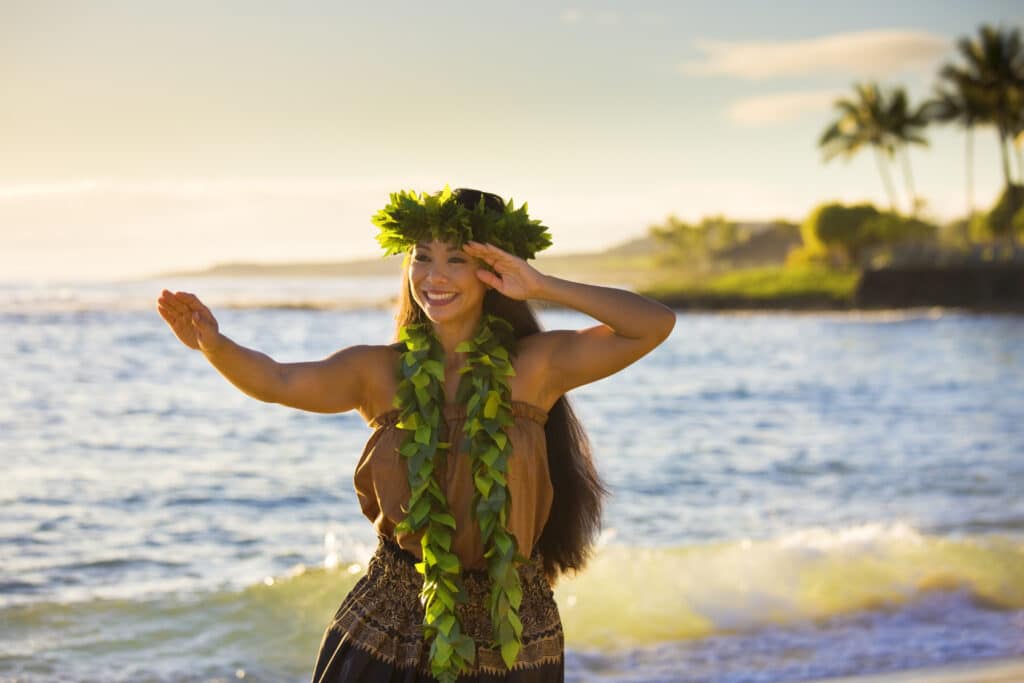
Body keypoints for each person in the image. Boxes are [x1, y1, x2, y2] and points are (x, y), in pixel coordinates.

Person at [156, 186, 676, 683]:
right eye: (422, 257)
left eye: (457, 259)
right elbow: (277, 380)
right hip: (391, 619)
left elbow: (652, 324)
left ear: (493, 271)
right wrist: (213, 344)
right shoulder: (376, 372)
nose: (435, 276)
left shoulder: (535, 367)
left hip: (511, 627)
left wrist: (541, 285)